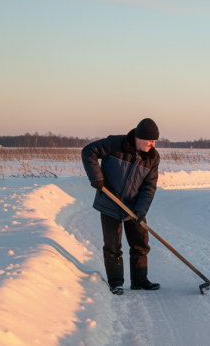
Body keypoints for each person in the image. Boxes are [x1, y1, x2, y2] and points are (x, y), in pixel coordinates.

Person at [82, 118, 161, 295]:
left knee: (141, 244)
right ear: (138, 138)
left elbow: (149, 187)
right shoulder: (114, 144)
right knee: (113, 245)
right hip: (110, 202)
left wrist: (141, 211)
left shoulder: (153, 157)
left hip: (133, 207)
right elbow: (88, 152)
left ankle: (139, 280)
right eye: (149, 140)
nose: (152, 144)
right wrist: (96, 177)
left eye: (154, 141)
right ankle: (116, 282)